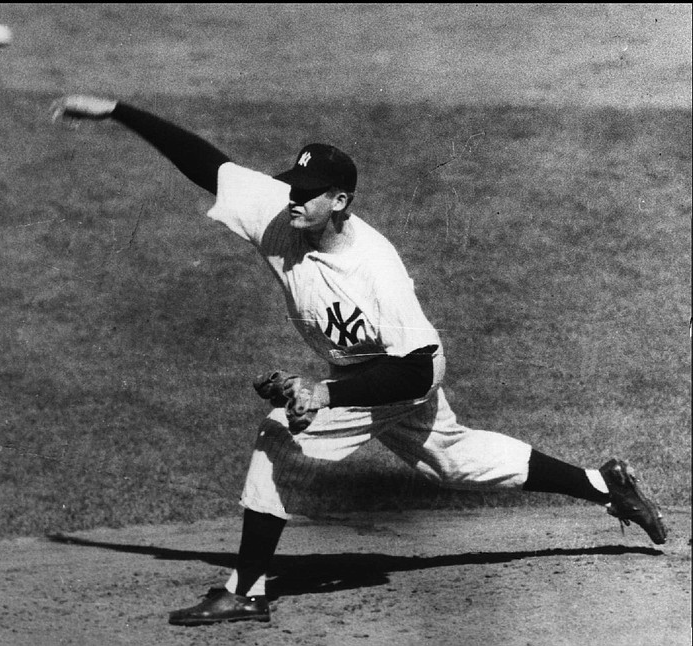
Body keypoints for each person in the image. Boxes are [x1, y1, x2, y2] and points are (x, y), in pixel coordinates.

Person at [49, 95, 668, 626]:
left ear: (341, 201)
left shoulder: (376, 271)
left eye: (310, 195)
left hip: (398, 371)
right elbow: (210, 166)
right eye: (293, 186)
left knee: (280, 439)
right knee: (452, 459)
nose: (294, 200)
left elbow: (420, 370)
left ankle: (245, 593)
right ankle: (601, 484)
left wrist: (325, 396)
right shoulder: (281, 214)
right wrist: (118, 112)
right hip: (362, 371)